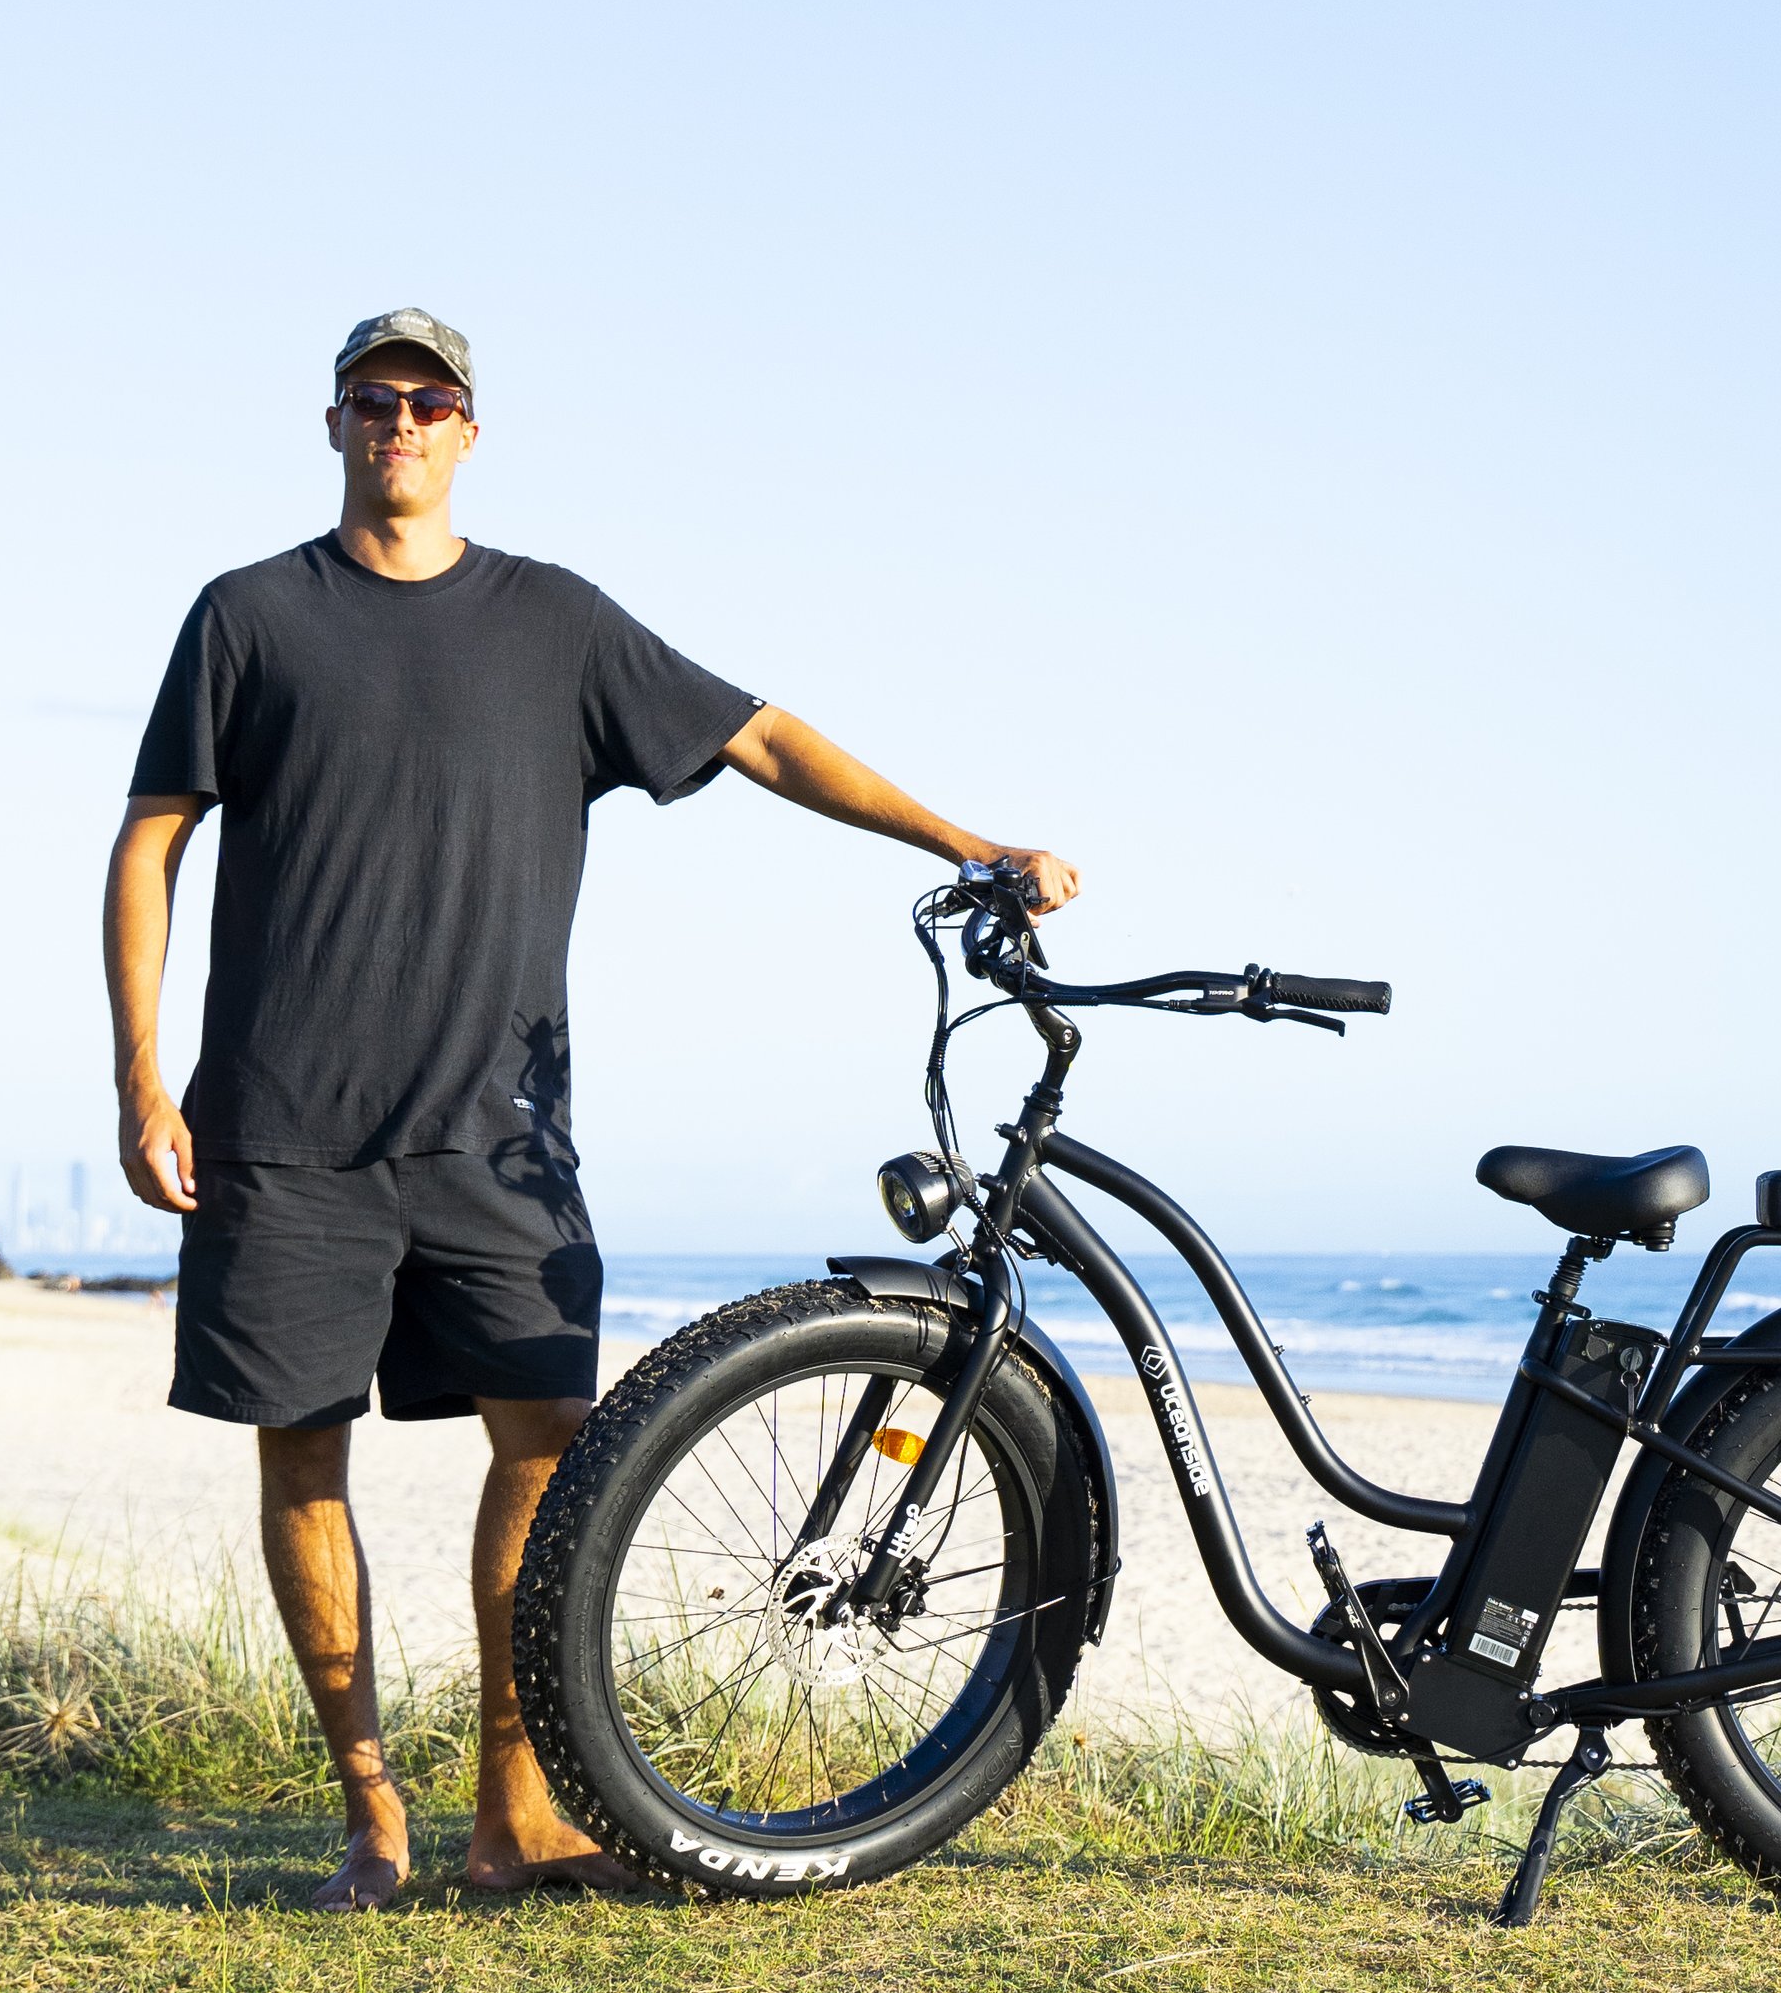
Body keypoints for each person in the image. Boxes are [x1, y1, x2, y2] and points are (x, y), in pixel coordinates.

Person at [104, 307, 1078, 1912]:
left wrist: (962, 845)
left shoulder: (553, 621)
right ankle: (369, 1816)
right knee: (301, 1457)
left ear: (471, 430)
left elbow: (759, 735)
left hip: (501, 1138)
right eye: (373, 398)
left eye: (429, 400)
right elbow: (151, 839)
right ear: (333, 423)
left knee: (549, 1448)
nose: (400, 422)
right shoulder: (250, 616)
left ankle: (513, 1808)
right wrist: (142, 1072)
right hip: (281, 1130)